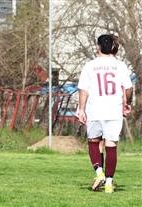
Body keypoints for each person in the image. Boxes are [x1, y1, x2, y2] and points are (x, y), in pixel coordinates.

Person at [77, 34, 133, 193]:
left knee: (93, 142)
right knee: (111, 145)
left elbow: (83, 89)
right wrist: (126, 103)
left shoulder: (90, 65)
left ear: (98, 47)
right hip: (113, 110)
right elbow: (128, 88)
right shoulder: (120, 65)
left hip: (95, 110)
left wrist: (81, 109)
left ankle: (99, 173)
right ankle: (109, 183)